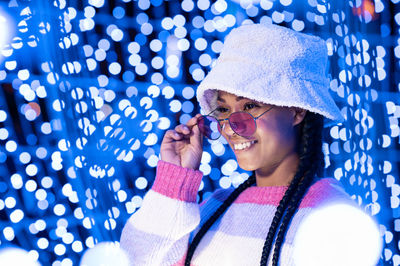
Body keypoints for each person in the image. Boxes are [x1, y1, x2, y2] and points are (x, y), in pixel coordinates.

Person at [120, 23, 378, 265]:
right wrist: (174, 181)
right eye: (222, 109)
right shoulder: (215, 207)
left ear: (298, 110)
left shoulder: (333, 220)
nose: (233, 126)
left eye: (250, 106)